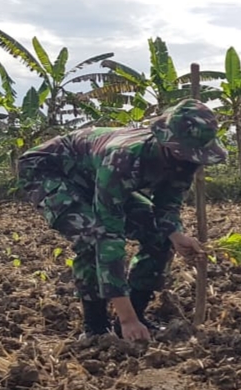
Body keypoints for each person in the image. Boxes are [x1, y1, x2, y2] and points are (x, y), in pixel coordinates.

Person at [18, 99, 227, 341]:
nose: (190, 162)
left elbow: (167, 208)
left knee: (160, 235)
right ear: (167, 145)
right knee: (92, 237)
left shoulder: (184, 165)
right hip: (51, 171)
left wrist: (175, 234)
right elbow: (109, 236)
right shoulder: (123, 160)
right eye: (186, 155)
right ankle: (96, 328)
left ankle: (133, 318)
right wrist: (126, 316)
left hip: (96, 177)